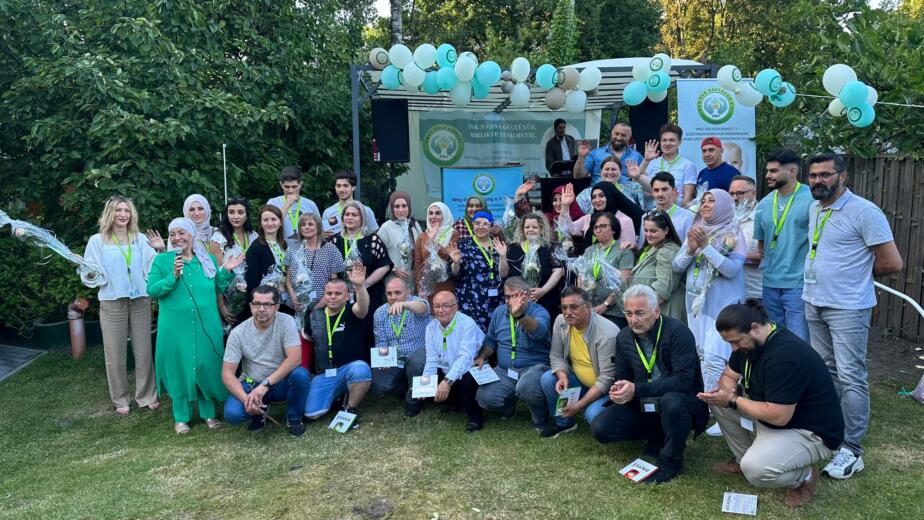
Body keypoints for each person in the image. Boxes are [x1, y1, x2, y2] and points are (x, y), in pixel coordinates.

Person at [802, 152, 903, 479]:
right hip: (814, 300)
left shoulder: (864, 211)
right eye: (813, 175)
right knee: (825, 371)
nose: (818, 180)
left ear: (843, 176)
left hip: (848, 306)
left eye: (825, 174)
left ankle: (852, 450)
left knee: (850, 376)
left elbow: (892, 262)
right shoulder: (815, 208)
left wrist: (856, 276)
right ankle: (831, 432)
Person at [701, 301, 845, 507]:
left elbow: (779, 416)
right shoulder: (750, 343)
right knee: (717, 401)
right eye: (729, 343)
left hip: (809, 431)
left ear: (755, 328)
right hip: (774, 417)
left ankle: (805, 476)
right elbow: (728, 376)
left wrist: (733, 399)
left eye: (736, 342)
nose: (733, 348)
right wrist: (726, 393)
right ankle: (744, 459)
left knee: (756, 471)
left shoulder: (786, 355)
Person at [591, 285, 708, 484]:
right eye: (628, 313)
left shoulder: (678, 332)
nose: (633, 320)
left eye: (639, 313)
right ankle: (658, 435)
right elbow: (623, 376)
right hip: (644, 402)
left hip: (681, 400)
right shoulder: (624, 336)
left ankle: (671, 460)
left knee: (671, 402)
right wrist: (620, 391)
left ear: (656, 311)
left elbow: (683, 381)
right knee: (601, 428)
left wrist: (636, 389)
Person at [147, 218, 243, 434]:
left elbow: (217, 286)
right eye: (172, 234)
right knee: (178, 368)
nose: (177, 238)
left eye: (181, 233)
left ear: (192, 235)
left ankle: (209, 413)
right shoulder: (163, 260)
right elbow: (152, 290)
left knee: (205, 365)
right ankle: (181, 417)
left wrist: (226, 271)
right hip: (174, 327)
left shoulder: (207, 259)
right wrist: (172, 276)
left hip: (205, 325)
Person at [672, 189, 746, 435]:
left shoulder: (733, 232)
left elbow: (731, 270)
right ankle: (708, 408)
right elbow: (677, 266)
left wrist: (705, 247)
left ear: (724, 204)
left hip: (722, 307)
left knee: (716, 359)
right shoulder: (696, 229)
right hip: (696, 306)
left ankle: (723, 410)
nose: (705, 204)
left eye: (711, 201)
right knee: (701, 357)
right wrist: (690, 248)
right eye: (703, 200)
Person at [80, 196, 159, 416]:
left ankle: (146, 395)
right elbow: (93, 275)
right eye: (118, 210)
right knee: (115, 354)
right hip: (112, 301)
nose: (123, 214)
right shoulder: (97, 241)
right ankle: (121, 398)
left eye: (127, 210)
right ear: (110, 213)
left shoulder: (140, 239)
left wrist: (160, 250)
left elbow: (153, 265)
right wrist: (84, 267)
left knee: (143, 352)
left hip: (140, 300)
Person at [221, 285, 311, 437]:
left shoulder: (286, 321)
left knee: (301, 375)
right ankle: (258, 412)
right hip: (252, 383)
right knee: (233, 414)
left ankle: (294, 417)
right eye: (257, 304)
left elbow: (295, 359)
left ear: (276, 307)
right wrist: (247, 400)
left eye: (267, 304)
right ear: (251, 306)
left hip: (281, 383)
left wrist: (265, 385)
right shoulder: (237, 333)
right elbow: (227, 374)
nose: (261, 309)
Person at [538, 287, 618, 438]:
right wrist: (562, 376)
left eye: (573, 307)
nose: (568, 312)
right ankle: (564, 423)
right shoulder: (560, 321)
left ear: (587, 307)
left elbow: (607, 379)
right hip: (580, 382)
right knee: (548, 378)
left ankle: (608, 412)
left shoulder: (607, 334)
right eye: (564, 307)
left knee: (592, 415)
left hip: (607, 390)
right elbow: (556, 355)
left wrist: (579, 405)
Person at [473, 277, 551, 428]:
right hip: (505, 370)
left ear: (527, 296)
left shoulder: (540, 312)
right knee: (484, 397)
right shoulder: (499, 312)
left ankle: (540, 418)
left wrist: (519, 315)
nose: (510, 302)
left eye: (516, 296)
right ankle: (508, 409)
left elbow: (539, 332)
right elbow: (491, 340)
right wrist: (482, 357)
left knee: (527, 385)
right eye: (507, 297)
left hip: (533, 368)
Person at [753, 150, 812, 341]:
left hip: (799, 284)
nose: (767, 175)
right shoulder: (764, 204)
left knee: (798, 340)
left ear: (792, 171)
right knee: (774, 339)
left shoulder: (812, 199)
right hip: (770, 283)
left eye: (774, 171)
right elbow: (761, 246)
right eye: (767, 170)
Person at [305, 269, 373, 427]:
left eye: (338, 293)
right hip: (325, 373)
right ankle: (338, 395)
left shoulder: (353, 311)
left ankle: (350, 408)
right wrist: (307, 370)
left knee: (361, 370)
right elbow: (307, 343)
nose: (333, 297)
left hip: (349, 370)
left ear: (347, 296)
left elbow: (363, 307)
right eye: (329, 293)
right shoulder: (314, 317)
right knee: (311, 413)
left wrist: (359, 286)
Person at [421, 291, 486, 432]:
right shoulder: (431, 327)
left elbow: (465, 358)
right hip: (448, 366)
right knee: (434, 377)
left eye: (446, 306)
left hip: (472, 364)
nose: (440, 310)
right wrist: (426, 384)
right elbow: (431, 358)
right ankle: (454, 403)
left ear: (455, 307)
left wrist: (447, 381)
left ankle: (475, 418)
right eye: (437, 306)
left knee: (467, 381)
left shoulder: (467, 324)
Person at [371, 276, 430, 416]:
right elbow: (381, 341)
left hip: (418, 356)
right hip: (395, 359)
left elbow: (423, 308)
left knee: (415, 361)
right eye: (389, 293)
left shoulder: (416, 303)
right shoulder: (380, 312)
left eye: (398, 293)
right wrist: (382, 361)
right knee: (379, 384)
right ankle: (411, 387)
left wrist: (405, 305)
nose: (393, 297)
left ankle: (413, 401)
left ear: (408, 292)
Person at [498, 212, 564, 319]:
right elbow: (504, 274)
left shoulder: (549, 247)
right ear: (522, 229)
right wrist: (502, 256)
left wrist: (543, 290)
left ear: (541, 229)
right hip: (517, 302)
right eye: (527, 227)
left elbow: (558, 271)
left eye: (534, 227)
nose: (530, 229)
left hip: (545, 301)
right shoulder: (513, 248)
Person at [284, 212, 344, 324]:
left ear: (318, 227)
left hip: (322, 305)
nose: (307, 227)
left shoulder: (331, 249)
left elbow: (334, 282)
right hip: (296, 306)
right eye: (303, 224)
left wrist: (319, 306)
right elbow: (288, 279)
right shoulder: (293, 248)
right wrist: (293, 298)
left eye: (310, 224)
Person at [329, 201, 392, 307]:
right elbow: (331, 268)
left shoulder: (372, 240)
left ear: (362, 219)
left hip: (369, 294)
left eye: (354, 215)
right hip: (341, 297)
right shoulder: (335, 241)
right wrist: (338, 288)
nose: (350, 217)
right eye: (347, 214)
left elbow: (384, 266)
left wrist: (363, 285)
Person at [448, 210, 502, 332]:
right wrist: (456, 263)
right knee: (471, 335)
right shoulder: (463, 245)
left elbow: (504, 274)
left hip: (495, 300)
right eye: (477, 223)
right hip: (470, 300)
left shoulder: (497, 245)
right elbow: (453, 274)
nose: (480, 227)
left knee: (493, 334)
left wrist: (503, 257)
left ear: (491, 226)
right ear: (472, 225)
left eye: (485, 224)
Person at [578, 212, 635, 328]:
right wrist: (585, 302)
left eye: (603, 226)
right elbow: (581, 277)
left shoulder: (623, 251)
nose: (598, 230)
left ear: (613, 229)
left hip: (614, 312)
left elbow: (623, 283)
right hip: (590, 309)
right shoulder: (589, 250)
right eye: (595, 227)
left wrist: (605, 304)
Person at [629, 210, 685, 321]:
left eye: (653, 231)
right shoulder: (652, 247)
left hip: (662, 316)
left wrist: (641, 312)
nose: (648, 234)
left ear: (666, 230)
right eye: (645, 230)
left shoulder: (667, 251)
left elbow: (662, 290)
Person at [212, 197, 259, 325]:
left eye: (240, 212)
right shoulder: (219, 238)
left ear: (247, 215)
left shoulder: (253, 236)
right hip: (228, 294)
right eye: (231, 212)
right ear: (226, 214)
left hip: (251, 292)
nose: (236, 216)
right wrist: (221, 306)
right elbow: (216, 275)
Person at [559, 182, 639, 253]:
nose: (597, 200)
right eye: (593, 197)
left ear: (610, 196)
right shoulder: (588, 218)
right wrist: (565, 206)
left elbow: (628, 251)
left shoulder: (624, 221)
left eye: (601, 196)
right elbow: (566, 229)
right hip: (587, 262)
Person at [639, 124, 698, 206]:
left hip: (676, 209)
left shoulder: (688, 165)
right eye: (664, 140)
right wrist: (646, 160)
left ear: (679, 142)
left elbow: (687, 199)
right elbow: (636, 182)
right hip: (653, 210)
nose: (667, 143)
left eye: (672, 140)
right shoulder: (652, 163)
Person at [244, 205, 290, 312]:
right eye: (265, 220)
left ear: (280, 222)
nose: (270, 223)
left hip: (284, 301)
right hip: (266, 305)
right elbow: (252, 282)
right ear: (261, 223)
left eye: (273, 219)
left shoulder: (283, 244)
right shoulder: (256, 248)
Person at [574, 122, 643, 185]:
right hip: (599, 192)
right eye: (616, 134)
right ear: (612, 133)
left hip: (626, 193)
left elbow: (643, 179)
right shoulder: (595, 154)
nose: (619, 138)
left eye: (623, 135)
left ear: (629, 137)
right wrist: (581, 157)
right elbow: (578, 176)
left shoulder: (637, 156)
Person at [414, 202, 458, 300]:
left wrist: (434, 240)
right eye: (431, 213)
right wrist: (419, 287)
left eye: (438, 213)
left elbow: (447, 256)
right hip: (427, 286)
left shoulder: (453, 233)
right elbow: (418, 264)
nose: (433, 216)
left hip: (446, 284)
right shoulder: (422, 236)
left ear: (445, 215)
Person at [376, 191, 422, 287]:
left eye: (404, 206)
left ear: (409, 207)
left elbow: (421, 248)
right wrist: (393, 268)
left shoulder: (414, 225)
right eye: (397, 206)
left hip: (413, 279)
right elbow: (377, 255)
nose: (401, 210)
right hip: (394, 280)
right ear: (392, 208)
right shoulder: (386, 228)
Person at [575, 156, 649, 215]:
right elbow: (577, 216)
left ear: (620, 172)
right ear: (601, 172)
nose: (610, 172)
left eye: (613, 169)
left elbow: (652, 191)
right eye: (607, 169)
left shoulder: (632, 188)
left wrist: (638, 177)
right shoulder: (586, 193)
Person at [729, 175, 762, 300]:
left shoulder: (763, 218)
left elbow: (769, 256)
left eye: (740, 193)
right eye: (731, 193)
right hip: (730, 291)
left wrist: (732, 255)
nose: (735, 198)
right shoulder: (727, 217)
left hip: (755, 292)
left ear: (754, 193)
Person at [266, 165, 321, 239]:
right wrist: (287, 204)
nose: (290, 190)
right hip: (281, 245)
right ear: (281, 184)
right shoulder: (273, 202)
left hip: (305, 245)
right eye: (286, 187)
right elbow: (271, 225)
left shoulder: (310, 204)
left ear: (300, 184)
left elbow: (319, 229)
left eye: (294, 187)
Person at [642, 171, 694, 245]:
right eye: (656, 190)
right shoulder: (645, 216)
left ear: (674, 191)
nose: (660, 194)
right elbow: (642, 246)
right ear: (652, 193)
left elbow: (689, 247)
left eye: (664, 189)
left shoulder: (688, 217)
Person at [321, 171, 379, 237]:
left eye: (345, 186)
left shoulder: (366, 210)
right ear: (335, 187)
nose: (341, 190)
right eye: (338, 186)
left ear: (353, 187)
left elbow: (374, 234)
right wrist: (323, 235)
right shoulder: (328, 212)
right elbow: (323, 237)